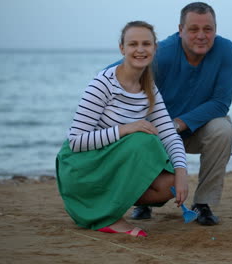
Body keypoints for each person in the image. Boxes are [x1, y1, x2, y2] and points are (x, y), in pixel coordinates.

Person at [55, 21, 188, 237]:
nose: (140, 49)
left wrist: (182, 173)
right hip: (81, 167)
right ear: (122, 48)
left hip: (110, 166)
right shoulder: (103, 84)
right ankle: (109, 217)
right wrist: (126, 128)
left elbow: (169, 135)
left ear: (155, 48)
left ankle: (106, 205)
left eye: (146, 43)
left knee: (169, 183)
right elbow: (76, 141)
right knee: (143, 139)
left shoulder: (149, 88)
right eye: (133, 44)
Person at [111, 2, 232, 225]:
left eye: (207, 29)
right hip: (156, 133)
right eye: (193, 29)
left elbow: (221, 103)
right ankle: (143, 201)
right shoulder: (163, 53)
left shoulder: (226, 51)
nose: (201, 35)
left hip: (196, 128)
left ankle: (202, 204)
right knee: (141, 133)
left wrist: (178, 123)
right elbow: (112, 73)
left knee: (223, 129)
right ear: (180, 30)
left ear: (215, 30)